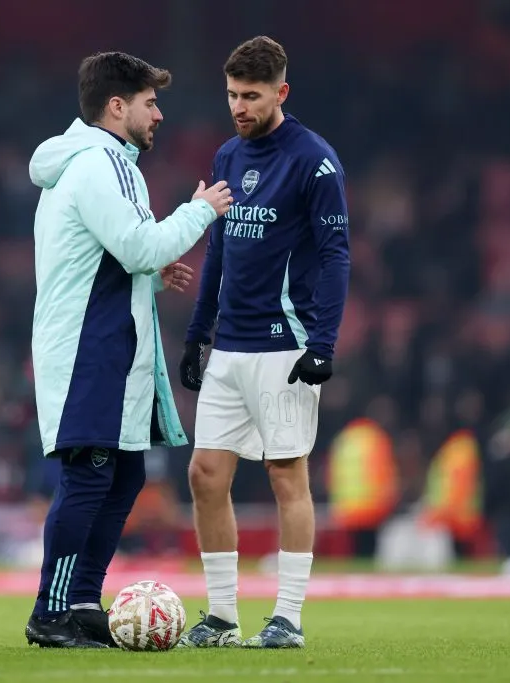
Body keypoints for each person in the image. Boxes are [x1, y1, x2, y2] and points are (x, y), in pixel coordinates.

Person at [25, 51, 233, 648]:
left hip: (105, 344)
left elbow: (118, 252)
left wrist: (149, 269)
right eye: (149, 103)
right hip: (92, 348)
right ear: (117, 107)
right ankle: (51, 610)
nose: (158, 114)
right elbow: (139, 245)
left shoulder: (97, 163)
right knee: (91, 475)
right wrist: (201, 211)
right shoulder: (100, 164)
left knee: (124, 475)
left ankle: (83, 599)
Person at [177, 36, 351, 649]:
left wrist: (325, 340)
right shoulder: (227, 155)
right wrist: (199, 334)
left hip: (286, 343)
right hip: (231, 346)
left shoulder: (315, 161)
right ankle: (222, 618)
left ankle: (289, 619)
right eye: (231, 95)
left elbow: (335, 255)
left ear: (281, 92)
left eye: (251, 96)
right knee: (204, 474)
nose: (239, 107)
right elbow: (220, 248)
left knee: (286, 475)